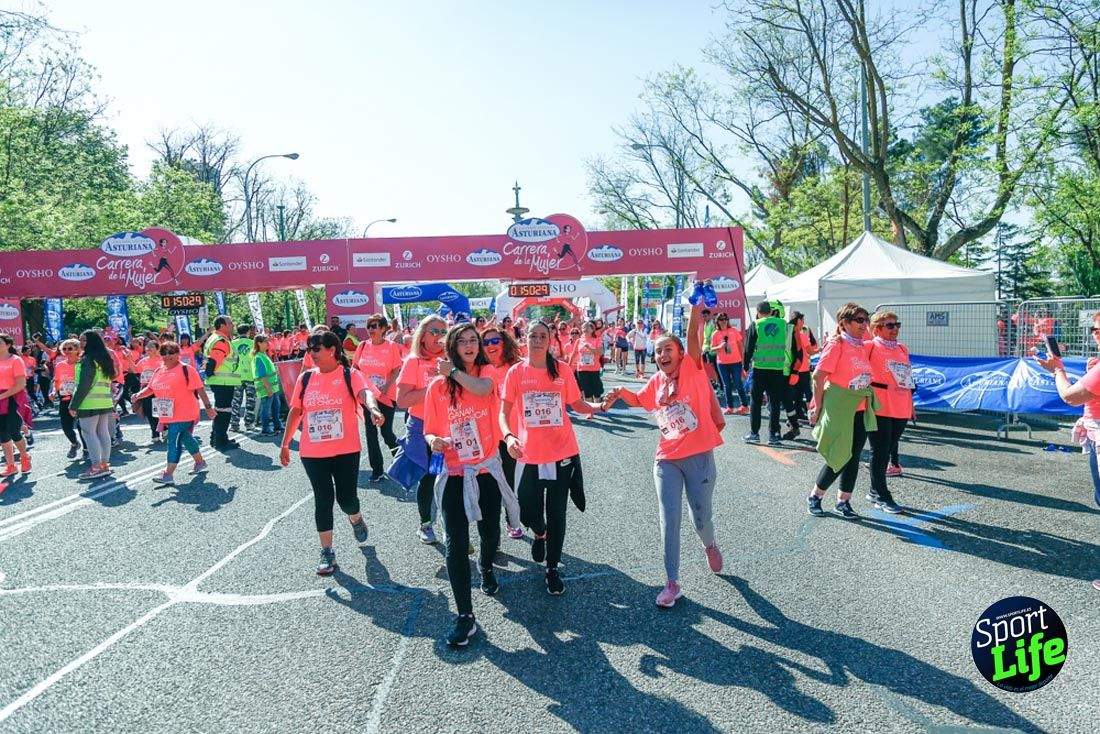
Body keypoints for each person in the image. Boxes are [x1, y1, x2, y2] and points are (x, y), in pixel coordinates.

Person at [606, 302, 726, 608]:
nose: (662, 355)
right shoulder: (657, 381)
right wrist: (620, 391)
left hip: (698, 456)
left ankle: (709, 543)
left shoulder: (692, 367)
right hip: (666, 458)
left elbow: (693, 339)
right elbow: (642, 401)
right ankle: (672, 583)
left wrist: (696, 313)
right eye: (658, 351)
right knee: (668, 519)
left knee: (701, 516)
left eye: (668, 349)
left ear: (681, 353)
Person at [424, 324, 521, 647]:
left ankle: (486, 565)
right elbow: (429, 429)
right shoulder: (437, 387)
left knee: (490, 532)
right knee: (455, 542)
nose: (468, 345)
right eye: (461, 341)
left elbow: (480, 390)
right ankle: (465, 615)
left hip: (487, 469)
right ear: (452, 346)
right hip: (455, 472)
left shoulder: (489, 372)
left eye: (472, 341)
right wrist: (434, 440)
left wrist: (452, 371)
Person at [499, 321, 607, 595]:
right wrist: (510, 436)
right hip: (528, 454)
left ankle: (552, 567)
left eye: (542, 336)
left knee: (558, 512)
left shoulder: (562, 370)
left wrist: (600, 406)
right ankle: (538, 531)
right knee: (527, 509)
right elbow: (504, 412)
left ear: (550, 340)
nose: (537, 340)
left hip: (562, 452)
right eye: (532, 335)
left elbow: (578, 404)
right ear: (525, 339)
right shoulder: (516, 372)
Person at [280, 331, 384, 575]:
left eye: (315, 349)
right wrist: (285, 444)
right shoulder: (305, 379)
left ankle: (355, 516)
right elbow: (296, 411)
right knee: (323, 497)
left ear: (332, 350)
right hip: (313, 452)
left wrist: (372, 408)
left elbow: (365, 393)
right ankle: (327, 552)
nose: (311, 354)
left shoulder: (350, 375)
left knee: (346, 499)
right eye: (309, 349)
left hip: (346, 450)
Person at [807, 303, 875, 519]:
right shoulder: (837, 344)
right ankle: (815, 496)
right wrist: (816, 406)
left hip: (860, 408)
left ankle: (843, 502)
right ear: (844, 323)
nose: (865, 325)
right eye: (860, 320)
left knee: (853, 456)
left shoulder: (862, 345)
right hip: (839, 409)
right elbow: (818, 376)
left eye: (867, 320)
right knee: (839, 454)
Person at [395, 315, 448, 543]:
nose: (438, 336)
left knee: (450, 478)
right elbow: (402, 400)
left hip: (451, 429)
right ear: (423, 335)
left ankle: (451, 527)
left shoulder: (450, 360)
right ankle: (426, 524)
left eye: (443, 332)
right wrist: (434, 385)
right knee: (429, 478)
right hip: (424, 431)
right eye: (434, 331)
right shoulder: (413, 362)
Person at [132, 341, 215, 484]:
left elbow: (200, 389)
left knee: (173, 440)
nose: (167, 356)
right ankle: (200, 462)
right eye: (164, 353)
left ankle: (168, 474)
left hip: (185, 412)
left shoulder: (186, 369)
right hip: (168, 414)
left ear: (178, 354)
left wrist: (208, 408)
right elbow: (151, 388)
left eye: (171, 352)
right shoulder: (159, 370)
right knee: (185, 437)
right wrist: (138, 395)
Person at [480, 324, 524, 540]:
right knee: (489, 486)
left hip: (509, 435)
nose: (490, 345)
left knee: (507, 481)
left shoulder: (515, 368)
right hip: (485, 436)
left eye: (495, 341)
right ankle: (492, 535)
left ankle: (511, 521)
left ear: (504, 343)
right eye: (485, 342)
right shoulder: (479, 370)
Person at [864, 311, 910, 513]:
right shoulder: (870, 346)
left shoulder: (902, 348)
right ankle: (882, 495)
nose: (895, 329)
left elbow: (907, 378)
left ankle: (875, 489)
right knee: (880, 452)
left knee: (888, 447)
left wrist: (912, 405)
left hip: (901, 405)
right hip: (880, 406)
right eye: (890, 325)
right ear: (877, 329)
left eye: (897, 324)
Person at [352, 314, 404, 481]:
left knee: (386, 432)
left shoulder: (392, 347)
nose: (371, 330)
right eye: (369, 326)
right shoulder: (362, 346)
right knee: (370, 432)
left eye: (374, 326)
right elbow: (355, 367)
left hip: (386, 395)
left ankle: (400, 462)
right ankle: (377, 470)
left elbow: (397, 369)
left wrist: (386, 386)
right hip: (368, 396)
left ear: (383, 329)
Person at [742, 301, 796, 446]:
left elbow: (748, 348)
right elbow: (790, 345)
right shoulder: (784, 324)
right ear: (771, 311)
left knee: (756, 402)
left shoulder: (756, 324)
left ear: (759, 312)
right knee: (775, 403)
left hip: (760, 369)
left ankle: (754, 434)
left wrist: (745, 366)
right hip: (778, 369)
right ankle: (773, 435)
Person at [69, 330, 117, 480]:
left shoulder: (88, 360)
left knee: (89, 433)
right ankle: (104, 464)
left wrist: (73, 404)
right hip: (104, 401)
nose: (81, 343)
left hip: (88, 402)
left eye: (84, 340)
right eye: (80, 340)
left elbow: (84, 384)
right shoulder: (104, 359)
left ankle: (96, 466)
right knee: (103, 432)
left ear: (91, 342)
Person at [202, 316, 240, 450]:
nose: (233, 325)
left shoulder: (214, 338)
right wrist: (210, 371)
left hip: (219, 381)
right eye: (230, 323)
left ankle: (217, 437)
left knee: (220, 410)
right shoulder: (221, 341)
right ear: (222, 325)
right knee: (224, 412)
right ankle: (221, 440)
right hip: (223, 381)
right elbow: (214, 362)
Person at [0, 335, 32, 479]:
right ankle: (11, 465)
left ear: (7, 345)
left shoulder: (15, 360)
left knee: (14, 430)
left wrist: (2, 396)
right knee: (2, 434)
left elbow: (21, 384)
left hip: (13, 398)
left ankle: (24, 457)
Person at [51, 338, 85, 461]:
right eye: (64, 349)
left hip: (79, 398)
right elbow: (57, 381)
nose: (67, 351)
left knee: (82, 425)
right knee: (66, 426)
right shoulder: (60, 365)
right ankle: (75, 443)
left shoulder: (82, 364)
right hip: (64, 397)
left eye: (70, 348)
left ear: (77, 350)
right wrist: (54, 391)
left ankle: (86, 448)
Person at [710, 312, 748, 415]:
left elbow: (741, 346)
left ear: (728, 320)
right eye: (721, 320)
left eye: (725, 319)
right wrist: (719, 347)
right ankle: (730, 407)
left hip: (736, 362)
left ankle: (744, 406)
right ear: (717, 321)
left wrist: (743, 362)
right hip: (722, 364)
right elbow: (712, 349)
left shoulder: (733, 331)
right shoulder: (715, 334)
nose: (723, 321)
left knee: (738, 384)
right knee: (727, 385)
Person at [788, 313, 817, 423]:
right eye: (802, 320)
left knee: (796, 394)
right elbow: (810, 351)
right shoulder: (801, 336)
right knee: (807, 392)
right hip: (803, 368)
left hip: (792, 368)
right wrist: (821, 350)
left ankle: (796, 415)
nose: (803, 323)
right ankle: (807, 414)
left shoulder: (789, 334)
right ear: (798, 321)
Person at [134, 337, 163, 443]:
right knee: (149, 411)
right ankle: (155, 433)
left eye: (152, 347)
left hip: (160, 389)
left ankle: (164, 428)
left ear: (157, 349)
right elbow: (135, 370)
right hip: (146, 389)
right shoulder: (143, 361)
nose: (148, 349)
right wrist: (128, 359)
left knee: (161, 410)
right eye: (147, 347)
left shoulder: (162, 360)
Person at [253, 335, 283, 435]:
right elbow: (263, 376)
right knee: (266, 409)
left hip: (272, 388)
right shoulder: (258, 357)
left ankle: (277, 425)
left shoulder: (264, 355)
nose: (268, 343)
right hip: (266, 389)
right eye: (265, 342)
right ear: (259, 343)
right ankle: (265, 429)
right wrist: (268, 389)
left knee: (276, 408)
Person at [230, 324, 257, 432]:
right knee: (250, 401)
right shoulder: (252, 343)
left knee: (236, 401)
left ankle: (234, 425)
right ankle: (249, 423)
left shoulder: (232, 343)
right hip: (250, 376)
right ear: (248, 332)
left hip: (236, 376)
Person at [572, 321, 604, 403]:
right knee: (586, 392)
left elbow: (601, 352)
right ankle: (589, 412)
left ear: (592, 329)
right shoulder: (579, 341)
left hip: (594, 369)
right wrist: (568, 366)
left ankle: (597, 407)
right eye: (583, 327)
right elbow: (574, 354)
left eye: (587, 327)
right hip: (582, 369)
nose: (584, 329)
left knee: (597, 392)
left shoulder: (597, 339)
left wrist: (590, 349)